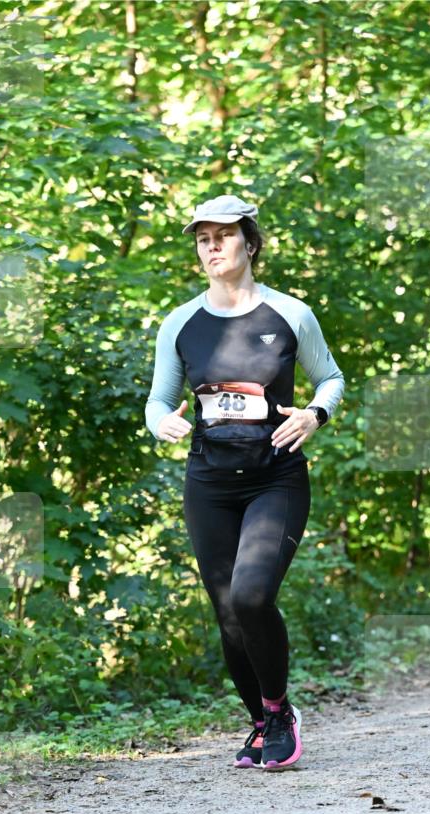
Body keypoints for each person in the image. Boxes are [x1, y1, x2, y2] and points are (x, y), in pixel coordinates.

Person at [145, 195, 345, 770]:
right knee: (227, 609)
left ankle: (280, 710)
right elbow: (159, 399)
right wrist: (164, 422)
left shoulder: (290, 314)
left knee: (253, 595)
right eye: (202, 238)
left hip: (275, 478)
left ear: (250, 243)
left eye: (224, 235)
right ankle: (261, 723)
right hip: (208, 483)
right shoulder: (180, 323)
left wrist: (314, 413)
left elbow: (329, 377)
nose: (212, 246)